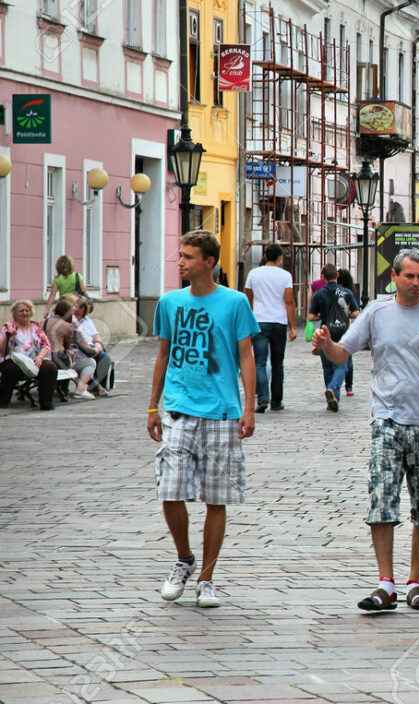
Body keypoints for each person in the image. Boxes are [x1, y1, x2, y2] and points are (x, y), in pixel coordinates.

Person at [312, 248, 419, 613]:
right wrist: (326, 345)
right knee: (381, 499)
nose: (416, 283)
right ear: (395, 277)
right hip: (386, 418)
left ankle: (415, 581)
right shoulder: (377, 312)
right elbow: (343, 353)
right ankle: (385, 582)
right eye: (410, 276)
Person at [148, 230, 259, 608]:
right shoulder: (169, 302)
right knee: (169, 489)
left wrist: (249, 406)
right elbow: (162, 354)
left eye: (188, 257)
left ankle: (207, 578)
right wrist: (152, 406)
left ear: (209, 263)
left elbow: (246, 355)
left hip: (221, 411)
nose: (180, 262)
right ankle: (184, 558)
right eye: (180, 255)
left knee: (215, 498)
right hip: (179, 409)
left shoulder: (234, 303)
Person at [244, 244, 297, 413]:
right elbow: (289, 301)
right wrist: (292, 327)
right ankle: (276, 401)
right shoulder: (285, 276)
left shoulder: (254, 273)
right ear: (280, 258)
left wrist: (251, 316)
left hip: (259, 321)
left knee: (259, 362)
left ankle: (262, 398)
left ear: (266, 256)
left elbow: (248, 297)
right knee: (277, 364)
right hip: (279, 322)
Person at [308, 264, 361, 411]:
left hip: (326, 331)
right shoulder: (346, 292)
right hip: (344, 330)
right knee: (342, 364)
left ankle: (332, 393)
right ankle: (333, 390)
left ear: (323, 277)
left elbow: (311, 316)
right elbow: (356, 313)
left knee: (327, 366)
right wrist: (346, 314)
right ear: (337, 276)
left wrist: (321, 315)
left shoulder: (318, 294)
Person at [0, 300, 57, 410]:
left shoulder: (36, 328)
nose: (25, 313)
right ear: (14, 313)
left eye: (27, 310)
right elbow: (2, 351)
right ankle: (3, 400)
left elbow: (46, 345)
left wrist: (40, 357)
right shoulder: (8, 327)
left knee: (50, 367)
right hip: (13, 360)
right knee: (11, 368)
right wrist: (9, 337)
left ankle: (46, 403)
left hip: (33, 360)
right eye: (21, 311)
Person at [44, 297, 97, 400]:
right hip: (58, 360)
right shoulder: (68, 326)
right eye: (71, 312)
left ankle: (63, 389)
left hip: (44, 358)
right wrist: (96, 349)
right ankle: (81, 390)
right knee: (90, 362)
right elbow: (83, 349)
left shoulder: (44, 322)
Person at [73, 298, 114, 395]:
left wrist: (98, 345)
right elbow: (77, 341)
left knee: (105, 358)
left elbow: (96, 336)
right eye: (79, 308)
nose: (81, 312)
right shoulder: (71, 321)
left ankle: (100, 387)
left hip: (91, 348)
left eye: (84, 310)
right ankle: (95, 387)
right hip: (80, 350)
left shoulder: (87, 320)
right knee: (90, 360)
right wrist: (92, 350)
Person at [337, 269, 359, 396]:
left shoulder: (333, 291)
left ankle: (333, 384)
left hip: (330, 327)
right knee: (348, 357)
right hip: (346, 327)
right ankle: (349, 387)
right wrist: (348, 314)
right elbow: (355, 312)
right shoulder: (350, 292)